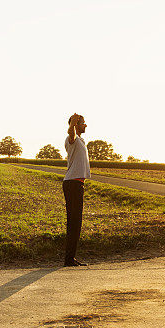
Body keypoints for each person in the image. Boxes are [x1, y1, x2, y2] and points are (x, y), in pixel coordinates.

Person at [63, 113, 90, 266]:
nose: (85, 125)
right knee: (74, 222)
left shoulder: (81, 140)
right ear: (76, 125)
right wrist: (72, 122)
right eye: (83, 123)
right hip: (72, 184)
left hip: (77, 184)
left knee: (76, 222)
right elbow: (71, 134)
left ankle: (70, 258)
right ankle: (68, 259)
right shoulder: (71, 139)